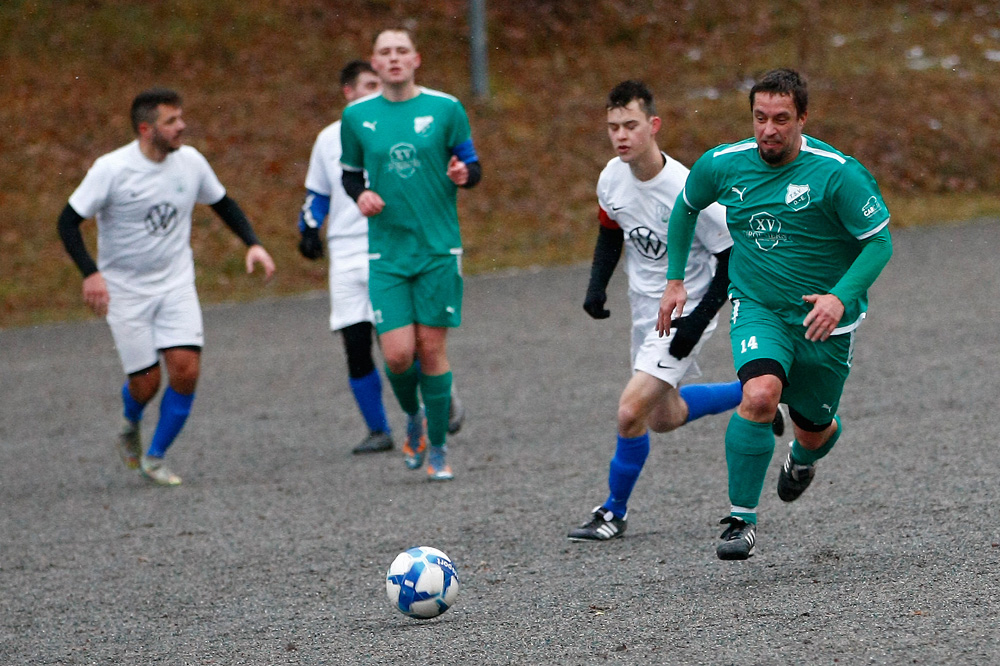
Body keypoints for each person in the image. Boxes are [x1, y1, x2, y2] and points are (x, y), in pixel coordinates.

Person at [658, 68, 892, 560]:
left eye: (781, 118)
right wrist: (675, 279)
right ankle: (741, 519)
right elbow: (685, 208)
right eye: (760, 117)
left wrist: (839, 296)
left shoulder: (836, 172)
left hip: (824, 321)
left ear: (802, 118)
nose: (769, 129)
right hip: (758, 305)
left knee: (815, 430)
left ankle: (802, 460)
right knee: (761, 394)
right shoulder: (722, 165)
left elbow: (879, 242)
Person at [568, 80, 787, 542]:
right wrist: (596, 287)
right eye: (613, 127)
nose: (621, 135)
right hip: (644, 310)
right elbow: (611, 229)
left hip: (685, 312)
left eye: (631, 125)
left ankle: (612, 511)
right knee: (662, 418)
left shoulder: (688, 190)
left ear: (654, 125)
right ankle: (752, 394)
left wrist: (696, 322)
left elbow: (731, 261)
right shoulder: (611, 177)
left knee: (629, 412)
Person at [57, 88, 276, 486]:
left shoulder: (190, 162)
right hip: (125, 291)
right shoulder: (112, 169)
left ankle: (155, 456)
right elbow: (67, 222)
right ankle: (131, 422)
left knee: (186, 371)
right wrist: (91, 273)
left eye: (181, 118)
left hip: (175, 283)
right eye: (171, 121)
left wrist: (253, 245)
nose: (182, 127)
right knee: (146, 382)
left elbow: (223, 203)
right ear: (146, 129)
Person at [298, 60, 466, 456]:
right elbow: (319, 192)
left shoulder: (410, 123)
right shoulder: (329, 138)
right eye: (367, 85)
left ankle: (436, 399)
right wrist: (308, 227)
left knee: (404, 345)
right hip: (345, 252)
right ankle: (378, 429)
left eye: (379, 84)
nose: (376, 91)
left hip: (393, 246)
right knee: (356, 342)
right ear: (348, 92)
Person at [339, 28, 481, 481]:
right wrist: (361, 196)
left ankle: (438, 449)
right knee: (398, 354)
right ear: (374, 63)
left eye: (401, 51)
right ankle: (414, 417)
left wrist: (463, 172)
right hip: (387, 254)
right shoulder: (357, 116)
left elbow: (472, 166)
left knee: (431, 348)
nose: (394, 58)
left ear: (416, 59)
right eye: (385, 52)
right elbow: (350, 175)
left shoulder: (445, 108)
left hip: (438, 247)